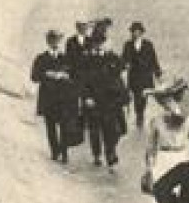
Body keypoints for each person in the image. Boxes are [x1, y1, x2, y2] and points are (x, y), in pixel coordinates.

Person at [142, 78, 189, 203]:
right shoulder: (156, 121)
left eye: (170, 100)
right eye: (164, 101)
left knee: (182, 198)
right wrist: (149, 168)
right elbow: (151, 147)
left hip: (181, 158)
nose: (167, 104)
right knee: (159, 199)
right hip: (162, 159)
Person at [77, 26, 129, 168]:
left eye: (101, 42)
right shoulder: (86, 59)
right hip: (93, 100)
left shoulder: (111, 56)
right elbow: (82, 81)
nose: (99, 45)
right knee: (94, 130)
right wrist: (86, 97)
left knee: (112, 130)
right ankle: (97, 155)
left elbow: (122, 67)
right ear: (92, 44)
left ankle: (110, 152)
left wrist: (112, 56)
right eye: (96, 42)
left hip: (109, 101)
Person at [29, 29, 78, 163]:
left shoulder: (64, 58)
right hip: (48, 98)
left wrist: (65, 75)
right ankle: (55, 151)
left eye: (56, 40)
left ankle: (64, 152)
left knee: (64, 126)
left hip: (63, 98)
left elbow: (73, 74)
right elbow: (34, 77)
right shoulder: (41, 58)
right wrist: (47, 74)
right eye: (51, 40)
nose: (54, 42)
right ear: (48, 41)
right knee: (50, 126)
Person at [120, 22, 163, 130]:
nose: (135, 33)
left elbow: (154, 60)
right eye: (133, 31)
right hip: (134, 78)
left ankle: (143, 121)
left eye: (138, 31)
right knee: (137, 101)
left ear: (141, 32)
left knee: (146, 101)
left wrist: (158, 74)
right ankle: (139, 122)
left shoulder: (148, 44)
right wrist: (123, 66)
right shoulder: (128, 45)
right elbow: (123, 60)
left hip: (146, 78)